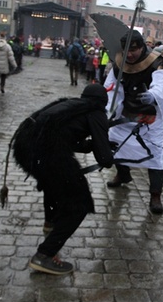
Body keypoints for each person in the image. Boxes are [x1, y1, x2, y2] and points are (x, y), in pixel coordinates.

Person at [12, 84, 114, 275]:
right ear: (104, 102)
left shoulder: (70, 105)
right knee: (79, 204)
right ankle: (44, 255)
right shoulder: (96, 113)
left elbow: (62, 135)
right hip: (48, 154)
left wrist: (90, 145)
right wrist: (107, 149)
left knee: (53, 183)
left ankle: (50, 223)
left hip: (27, 150)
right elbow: (105, 160)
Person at [104, 30, 163, 214]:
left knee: (155, 156)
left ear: (142, 47)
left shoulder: (157, 62)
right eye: (127, 50)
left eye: (134, 50)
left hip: (150, 119)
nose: (130, 54)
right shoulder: (118, 62)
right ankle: (123, 175)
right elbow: (111, 88)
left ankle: (155, 195)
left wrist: (153, 95)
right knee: (116, 145)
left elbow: (162, 84)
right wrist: (110, 109)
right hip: (125, 114)